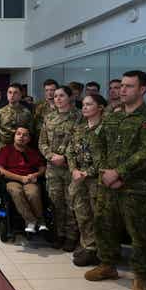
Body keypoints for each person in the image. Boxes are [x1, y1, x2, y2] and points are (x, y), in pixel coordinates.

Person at [85, 70, 146, 290]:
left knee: (141, 232)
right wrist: (105, 171)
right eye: (121, 85)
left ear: (142, 89)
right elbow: (98, 143)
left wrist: (119, 173)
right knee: (104, 224)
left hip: (139, 187)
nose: (122, 90)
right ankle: (107, 264)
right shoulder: (113, 116)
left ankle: (141, 276)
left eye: (129, 86)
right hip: (109, 184)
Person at [66, 94, 108, 267]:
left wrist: (86, 172)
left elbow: (106, 157)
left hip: (97, 180)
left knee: (99, 216)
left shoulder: (105, 129)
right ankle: (88, 246)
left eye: (89, 104)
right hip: (79, 179)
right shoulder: (80, 128)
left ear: (100, 108)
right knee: (82, 215)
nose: (84, 107)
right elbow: (70, 152)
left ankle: (102, 251)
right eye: (83, 104)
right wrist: (74, 170)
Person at [39, 86, 82, 251]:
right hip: (53, 168)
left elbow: (80, 142)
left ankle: (72, 236)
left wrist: (64, 157)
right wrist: (51, 156)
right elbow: (42, 142)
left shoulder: (79, 117)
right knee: (56, 203)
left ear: (70, 97)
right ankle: (59, 234)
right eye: (55, 96)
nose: (57, 98)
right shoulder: (49, 117)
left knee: (71, 202)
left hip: (71, 167)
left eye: (61, 95)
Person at [0, 127, 46, 234]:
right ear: (14, 137)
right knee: (17, 192)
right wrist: (20, 178)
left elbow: (42, 167)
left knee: (33, 193)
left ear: (29, 139)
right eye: (18, 134)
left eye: (25, 135)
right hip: (12, 179)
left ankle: (40, 220)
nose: (21, 137)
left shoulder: (33, 152)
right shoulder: (6, 150)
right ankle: (31, 220)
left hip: (29, 179)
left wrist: (35, 174)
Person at [0, 83, 33, 150]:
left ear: (20, 95)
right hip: (4, 147)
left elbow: (30, 131)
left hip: (21, 147)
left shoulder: (26, 112)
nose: (12, 95)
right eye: (10, 92)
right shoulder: (1, 112)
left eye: (15, 93)